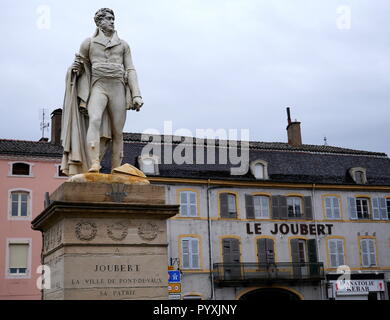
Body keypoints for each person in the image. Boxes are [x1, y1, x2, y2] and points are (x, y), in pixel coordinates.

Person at [60, 8, 143, 175]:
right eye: (108, 19)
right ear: (99, 22)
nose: (112, 21)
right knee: (95, 120)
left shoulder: (123, 45)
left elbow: (130, 69)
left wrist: (136, 94)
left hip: (117, 86)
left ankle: (115, 168)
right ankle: (94, 162)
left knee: (117, 131)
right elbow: (80, 65)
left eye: (113, 19)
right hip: (98, 85)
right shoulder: (88, 43)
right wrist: (74, 70)